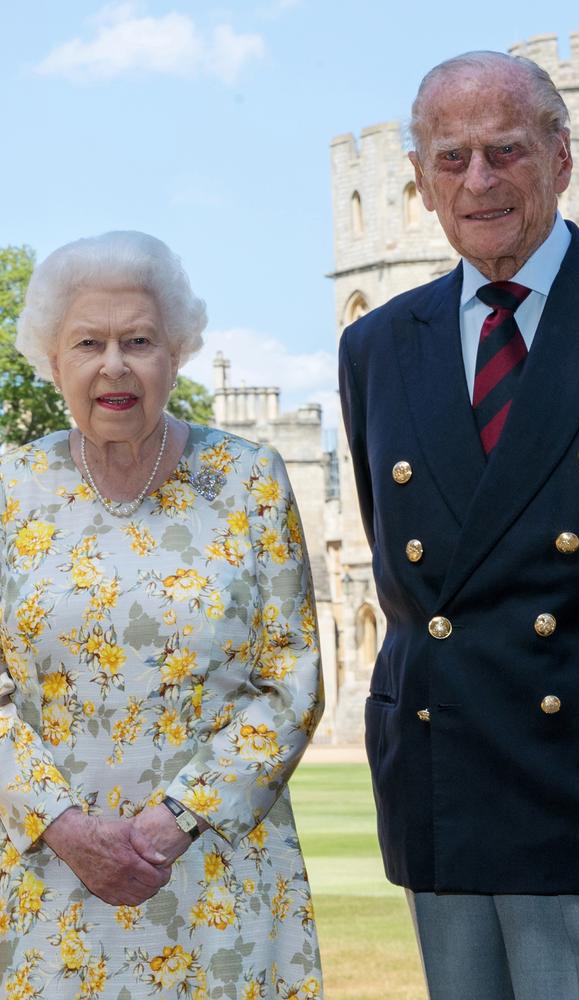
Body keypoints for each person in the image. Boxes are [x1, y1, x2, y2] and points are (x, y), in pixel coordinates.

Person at [339, 49, 579, 1000]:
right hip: (446, 779)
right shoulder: (377, 345)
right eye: (450, 158)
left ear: (563, 157)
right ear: (421, 185)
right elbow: (404, 564)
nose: (478, 181)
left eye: (504, 151)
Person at [0, 231, 324, 998]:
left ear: (175, 353)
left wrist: (176, 819)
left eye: (138, 340)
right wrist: (68, 828)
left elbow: (292, 681)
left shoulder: (250, 481)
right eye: (88, 343)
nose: (114, 365)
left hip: (219, 878)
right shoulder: (9, 490)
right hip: (48, 882)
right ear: (53, 362)